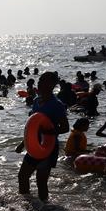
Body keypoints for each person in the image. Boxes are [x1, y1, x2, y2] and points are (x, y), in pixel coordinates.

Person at [18, 71, 68, 202]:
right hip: (34, 145)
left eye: (43, 81)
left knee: (41, 181)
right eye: (39, 80)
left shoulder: (57, 105)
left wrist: (47, 132)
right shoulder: (36, 101)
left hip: (48, 148)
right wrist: (23, 144)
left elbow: (65, 128)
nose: (39, 83)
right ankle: (25, 206)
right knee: (22, 176)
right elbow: (32, 127)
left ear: (52, 85)